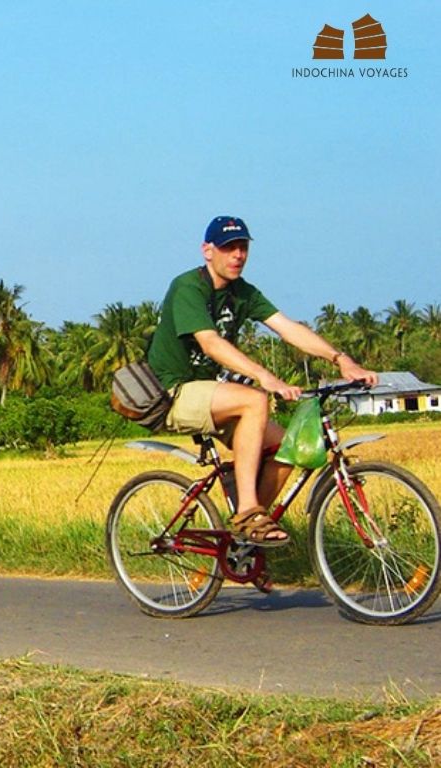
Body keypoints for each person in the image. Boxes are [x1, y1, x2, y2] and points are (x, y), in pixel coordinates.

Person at [146, 215, 378, 547]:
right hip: (173, 391)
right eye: (228, 248)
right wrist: (265, 377)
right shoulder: (188, 287)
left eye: (242, 247)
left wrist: (342, 360)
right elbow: (211, 342)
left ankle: (247, 533)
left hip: (211, 394)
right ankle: (248, 509)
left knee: (290, 448)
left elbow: (288, 328)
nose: (237, 255)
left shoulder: (243, 293)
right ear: (207, 251)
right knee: (254, 399)